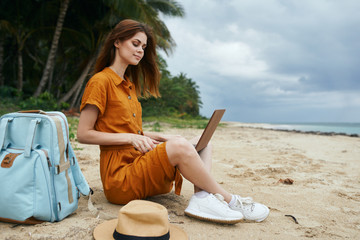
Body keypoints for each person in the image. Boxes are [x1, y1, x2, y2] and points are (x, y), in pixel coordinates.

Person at [77, 19, 269, 224]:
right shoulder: (100, 81)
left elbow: (132, 131)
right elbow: (83, 134)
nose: (140, 51)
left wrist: (161, 136)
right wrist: (132, 138)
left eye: (143, 46)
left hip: (139, 163)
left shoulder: (128, 86)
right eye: (135, 44)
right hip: (120, 180)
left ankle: (202, 197)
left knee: (203, 144)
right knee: (179, 146)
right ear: (117, 42)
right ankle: (231, 201)